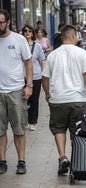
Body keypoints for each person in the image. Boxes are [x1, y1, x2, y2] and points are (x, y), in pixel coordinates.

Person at [42, 25, 86, 175]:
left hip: (57, 99)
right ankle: (76, 160)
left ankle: (62, 157)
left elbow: (44, 78)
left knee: (58, 128)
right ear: (72, 36)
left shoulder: (52, 55)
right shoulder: (82, 53)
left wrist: (47, 94)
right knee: (76, 130)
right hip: (77, 99)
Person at [0, 9, 33, 174]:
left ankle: (21, 161)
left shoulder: (19, 40)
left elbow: (28, 63)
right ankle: (2, 161)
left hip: (15, 91)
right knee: (0, 130)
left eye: (1, 22)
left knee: (19, 129)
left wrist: (29, 85)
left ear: (8, 22)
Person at [22, 24, 46, 131]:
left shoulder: (38, 46)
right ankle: (25, 120)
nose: (27, 32)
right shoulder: (20, 45)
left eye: (30, 31)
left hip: (36, 76)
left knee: (34, 100)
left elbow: (42, 61)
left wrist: (44, 74)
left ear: (33, 34)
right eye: (25, 31)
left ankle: (32, 122)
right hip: (22, 77)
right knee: (23, 100)